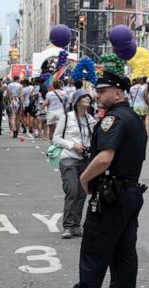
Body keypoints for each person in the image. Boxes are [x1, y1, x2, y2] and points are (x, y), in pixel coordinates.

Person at [74, 72, 147, 288]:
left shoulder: (113, 119)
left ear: (118, 94)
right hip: (130, 194)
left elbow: (105, 158)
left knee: (94, 252)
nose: (97, 95)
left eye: (102, 91)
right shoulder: (133, 117)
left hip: (111, 196)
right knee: (124, 254)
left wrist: (84, 178)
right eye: (97, 90)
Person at [53, 89, 96, 239]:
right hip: (69, 159)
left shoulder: (91, 119)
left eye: (88, 97)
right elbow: (56, 139)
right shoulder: (66, 118)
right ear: (76, 101)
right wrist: (73, 146)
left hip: (85, 161)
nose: (87, 99)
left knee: (82, 193)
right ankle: (68, 226)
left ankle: (76, 225)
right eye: (84, 97)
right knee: (72, 191)